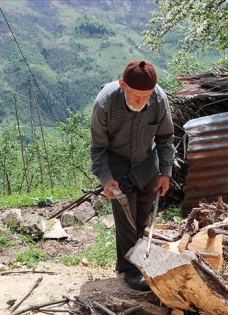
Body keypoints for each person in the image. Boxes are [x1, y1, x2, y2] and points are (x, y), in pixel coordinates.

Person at [90, 59, 175, 291]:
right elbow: (98, 147)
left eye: (146, 96)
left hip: (147, 164)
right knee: (126, 218)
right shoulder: (105, 103)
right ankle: (129, 269)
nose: (141, 101)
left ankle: (136, 261)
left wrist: (165, 172)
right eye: (136, 96)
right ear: (122, 85)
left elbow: (166, 138)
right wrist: (106, 178)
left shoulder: (158, 98)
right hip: (117, 166)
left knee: (141, 218)